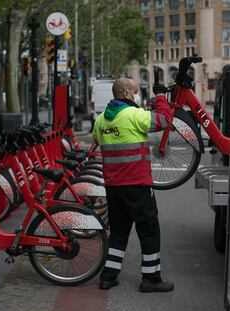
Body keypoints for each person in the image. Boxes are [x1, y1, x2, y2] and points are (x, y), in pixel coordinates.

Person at [92, 77, 174, 293]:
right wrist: (160, 97)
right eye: (136, 91)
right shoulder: (134, 115)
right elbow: (164, 120)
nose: (137, 95)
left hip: (113, 186)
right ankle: (151, 278)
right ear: (127, 94)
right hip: (137, 184)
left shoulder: (101, 120)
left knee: (118, 231)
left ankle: (108, 277)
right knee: (149, 229)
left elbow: (97, 140)